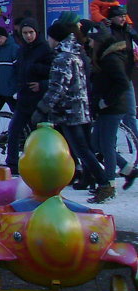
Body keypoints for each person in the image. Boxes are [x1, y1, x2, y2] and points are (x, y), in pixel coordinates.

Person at [31, 22, 112, 203]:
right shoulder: (76, 54)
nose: (48, 40)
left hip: (69, 113)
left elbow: (57, 89)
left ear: (56, 38)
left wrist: (41, 109)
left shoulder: (62, 58)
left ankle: (104, 183)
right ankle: (91, 179)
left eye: (50, 37)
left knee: (81, 150)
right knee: (85, 149)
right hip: (81, 109)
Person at [5, 18, 55, 173]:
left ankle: (40, 163)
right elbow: (19, 70)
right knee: (14, 130)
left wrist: (42, 84)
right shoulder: (22, 49)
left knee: (38, 134)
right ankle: (12, 164)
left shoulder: (45, 49)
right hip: (23, 97)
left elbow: (55, 74)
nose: (28, 36)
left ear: (36, 32)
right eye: (25, 33)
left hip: (39, 100)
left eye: (30, 32)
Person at [90, 31, 132, 195]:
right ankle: (127, 169)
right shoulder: (105, 58)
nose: (90, 43)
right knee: (96, 144)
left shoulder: (111, 60)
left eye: (93, 41)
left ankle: (108, 182)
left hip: (112, 109)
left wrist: (106, 101)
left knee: (106, 145)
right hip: (106, 108)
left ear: (99, 43)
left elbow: (122, 83)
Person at [0, 25, 20, 113]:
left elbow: (19, 70)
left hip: (10, 91)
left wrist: (16, 87)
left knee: (17, 115)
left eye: (0, 37)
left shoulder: (14, 48)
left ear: (6, 37)